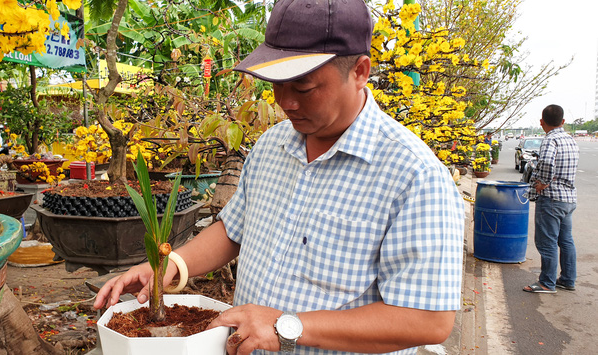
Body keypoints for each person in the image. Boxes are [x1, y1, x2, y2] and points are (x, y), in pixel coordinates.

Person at [94, 1, 465, 354]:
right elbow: (234, 230)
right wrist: (172, 265)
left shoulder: (415, 176)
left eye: (303, 88)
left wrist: (287, 327)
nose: (285, 102)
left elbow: (427, 320)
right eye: (276, 83)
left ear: (360, 72)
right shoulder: (273, 144)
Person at [523, 104, 579, 294]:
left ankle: (547, 282)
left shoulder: (550, 140)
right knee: (566, 240)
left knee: (547, 241)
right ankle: (568, 279)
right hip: (568, 198)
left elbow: (546, 162)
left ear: (541, 122)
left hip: (552, 198)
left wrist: (543, 183)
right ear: (563, 122)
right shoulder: (571, 140)